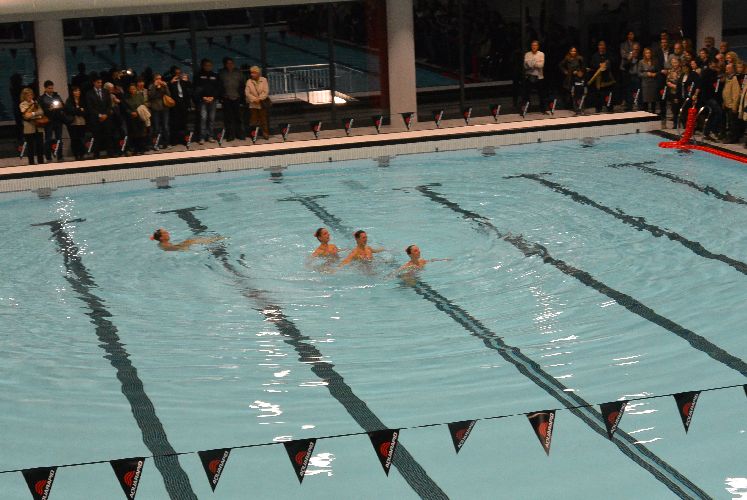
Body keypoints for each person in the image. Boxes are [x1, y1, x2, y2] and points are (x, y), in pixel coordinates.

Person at [85, 77, 114, 159]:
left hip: (106, 118)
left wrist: (106, 115)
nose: (100, 84)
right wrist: (100, 115)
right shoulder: (89, 93)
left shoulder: (106, 91)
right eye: (98, 82)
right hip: (96, 119)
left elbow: (109, 105)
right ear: (94, 83)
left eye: (101, 82)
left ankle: (110, 154)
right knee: (97, 138)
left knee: (108, 137)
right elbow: (90, 107)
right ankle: (96, 156)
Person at [219, 57, 245, 141]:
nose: (230, 65)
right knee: (228, 118)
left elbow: (242, 85)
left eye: (231, 63)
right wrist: (222, 95)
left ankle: (239, 134)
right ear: (225, 64)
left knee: (238, 118)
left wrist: (240, 96)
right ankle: (230, 135)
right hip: (226, 98)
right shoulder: (221, 73)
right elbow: (219, 85)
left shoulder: (238, 72)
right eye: (228, 63)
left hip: (237, 97)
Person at [194, 58, 220, 144]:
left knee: (211, 119)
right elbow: (196, 88)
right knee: (203, 119)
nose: (208, 67)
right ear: (203, 66)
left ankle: (210, 136)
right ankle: (202, 137)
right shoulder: (198, 75)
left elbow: (218, 88)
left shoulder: (215, 75)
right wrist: (203, 97)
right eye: (206, 65)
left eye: (210, 65)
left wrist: (213, 97)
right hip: (202, 101)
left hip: (213, 100)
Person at [39, 80, 65, 161]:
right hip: (48, 121)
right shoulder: (42, 98)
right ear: (45, 88)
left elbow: (63, 105)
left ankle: (60, 156)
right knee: (48, 139)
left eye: (52, 88)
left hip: (58, 120)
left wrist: (60, 105)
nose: (51, 90)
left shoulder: (57, 96)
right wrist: (49, 109)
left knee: (59, 139)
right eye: (49, 88)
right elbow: (41, 110)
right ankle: (48, 157)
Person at [19, 87, 45, 165]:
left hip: (39, 127)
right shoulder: (22, 104)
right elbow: (26, 116)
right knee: (30, 147)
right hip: (29, 129)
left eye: (31, 95)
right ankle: (31, 164)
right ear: (24, 96)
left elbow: (41, 112)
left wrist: (33, 114)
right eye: (28, 95)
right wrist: (36, 114)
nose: (30, 97)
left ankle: (41, 163)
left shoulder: (36, 102)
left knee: (40, 146)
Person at [589, 41, 616, 112]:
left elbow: (614, 62)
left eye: (603, 45)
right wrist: (599, 65)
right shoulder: (595, 56)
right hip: (599, 79)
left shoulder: (609, 55)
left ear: (605, 46)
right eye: (600, 45)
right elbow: (592, 65)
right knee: (598, 96)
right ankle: (598, 108)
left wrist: (607, 64)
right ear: (598, 47)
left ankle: (609, 108)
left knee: (608, 95)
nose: (602, 47)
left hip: (608, 79)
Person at [168, 66, 192, 146]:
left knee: (184, 123)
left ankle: (184, 140)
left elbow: (190, 87)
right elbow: (168, 92)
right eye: (176, 73)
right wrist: (171, 82)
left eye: (179, 73)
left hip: (183, 104)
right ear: (173, 73)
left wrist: (187, 80)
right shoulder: (170, 81)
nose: (178, 75)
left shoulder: (183, 81)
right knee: (175, 124)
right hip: (175, 105)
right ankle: (174, 140)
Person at [245, 65, 270, 140]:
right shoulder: (249, 81)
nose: (252, 74)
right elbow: (247, 93)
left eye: (254, 73)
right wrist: (254, 99)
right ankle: (253, 135)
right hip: (253, 105)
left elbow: (266, 91)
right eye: (251, 73)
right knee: (253, 121)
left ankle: (265, 134)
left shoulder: (264, 80)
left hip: (262, 104)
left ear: (258, 73)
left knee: (263, 120)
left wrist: (259, 99)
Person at [148, 73, 172, 149]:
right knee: (156, 128)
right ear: (154, 79)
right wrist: (155, 87)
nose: (159, 80)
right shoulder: (151, 86)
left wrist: (166, 86)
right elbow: (151, 96)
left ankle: (166, 144)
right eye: (157, 79)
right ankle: (156, 144)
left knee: (165, 127)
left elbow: (169, 94)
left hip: (164, 108)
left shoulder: (163, 85)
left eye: (160, 78)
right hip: (155, 109)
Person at [123, 83, 148, 154]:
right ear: (129, 90)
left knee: (142, 133)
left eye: (134, 89)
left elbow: (143, 105)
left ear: (136, 89)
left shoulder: (139, 96)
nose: (132, 90)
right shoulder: (126, 98)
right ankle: (136, 149)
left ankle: (142, 148)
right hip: (132, 118)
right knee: (134, 134)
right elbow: (126, 108)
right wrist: (131, 112)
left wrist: (137, 112)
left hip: (140, 116)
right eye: (131, 89)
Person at [522, 40, 546, 113]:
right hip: (529, 76)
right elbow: (525, 66)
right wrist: (535, 62)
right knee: (526, 94)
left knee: (541, 94)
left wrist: (531, 63)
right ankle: (526, 109)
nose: (534, 47)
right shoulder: (527, 54)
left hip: (539, 77)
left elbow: (541, 65)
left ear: (538, 46)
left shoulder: (541, 54)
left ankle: (543, 109)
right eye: (533, 45)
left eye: (535, 45)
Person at [64, 86, 87, 161]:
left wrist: (78, 110)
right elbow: (70, 110)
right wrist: (79, 110)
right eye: (76, 91)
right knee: (74, 139)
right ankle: (76, 154)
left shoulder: (82, 100)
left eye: (79, 90)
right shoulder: (69, 100)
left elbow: (86, 111)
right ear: (72, 92)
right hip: (73, 123)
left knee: (81, 139)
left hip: (82, 122)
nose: (78, 92)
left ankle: (82, 154)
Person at [150, 228, 222, 251]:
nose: (168, 233)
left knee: (193, 240)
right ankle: (216, 239)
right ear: (161, 238)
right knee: (194, 241)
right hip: (181, 249)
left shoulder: (162, 244)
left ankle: (214, 239)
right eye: (165, 233)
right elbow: (179, 248)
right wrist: (187, 244)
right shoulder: (165, 246)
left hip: (180, 247)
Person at [638, 47, 659, 113]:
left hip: (653, 83)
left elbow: (658, 71)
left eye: (649, 53)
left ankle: (653, 113)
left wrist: (655, 74)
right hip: (645, 84)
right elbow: (639, 73)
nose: (648, 54)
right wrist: (646, 74)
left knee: (653, 100)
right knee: (645, 101)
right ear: (644, 54)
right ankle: (646, 114)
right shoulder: (641, 62)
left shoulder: (655, 61)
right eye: (647, 53)